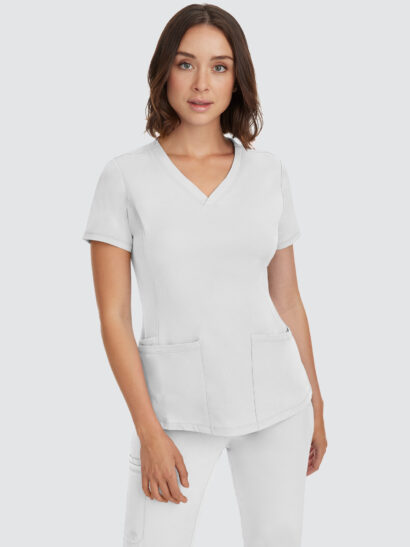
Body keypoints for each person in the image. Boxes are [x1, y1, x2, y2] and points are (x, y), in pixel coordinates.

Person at [82, 4, 327, 546]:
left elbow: (288, 299)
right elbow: (114, 317)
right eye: (186, 63)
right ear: (164, 71)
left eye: (219, 67)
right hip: (174, 412)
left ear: (237, 79)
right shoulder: (125, 178)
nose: (201, 83)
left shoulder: (269, 173)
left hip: (277, 404)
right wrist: (149, 432)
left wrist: (316, 402)